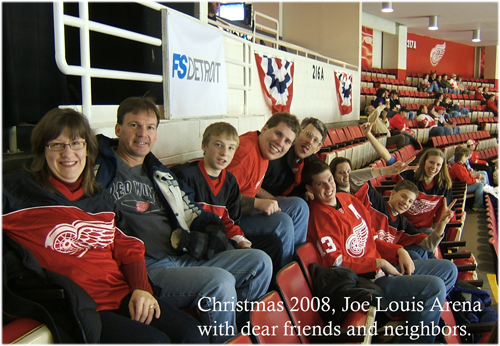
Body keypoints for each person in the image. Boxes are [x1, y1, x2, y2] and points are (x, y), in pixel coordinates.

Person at [0, 108, 208, 346]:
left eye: (76, 143)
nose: (68, 153)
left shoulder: (100, 197)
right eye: (56, 145)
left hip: (123, 295)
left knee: (192, 333)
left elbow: (129, 246)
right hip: (77, 307)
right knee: (153, 343)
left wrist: (141, 289)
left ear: (88, 150)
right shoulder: (16, 190)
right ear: (42, 151)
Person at [95, 97, 272, 346]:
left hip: (182, 252)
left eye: (150, 127)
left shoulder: (159, 173)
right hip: (149, 266)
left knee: (260, 261)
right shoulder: (101, 172)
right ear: (117, 129)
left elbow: (190, 209)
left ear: (156, 134)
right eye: (134, 125)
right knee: (220, 283)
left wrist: (211, 227)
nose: (142, 134)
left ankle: (237, 336)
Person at [303, 160, 457, 346]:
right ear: (309, 188)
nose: (329, 187)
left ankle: (416, 325)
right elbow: (336, 263)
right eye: (320, 184)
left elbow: (372, 238)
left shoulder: (349, 200)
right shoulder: (319, 217)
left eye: (329, 179)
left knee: (448, 269)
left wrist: (398, 250)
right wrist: (379, 263)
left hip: (385, 269)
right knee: (435, 287)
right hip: (369, 283)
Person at [174, 122, 283, 278]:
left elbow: (230, 221)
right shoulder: (187, 177)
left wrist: (240, 240)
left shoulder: (230, 182)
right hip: (197, 246)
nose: (225, 153)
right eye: (219, 145)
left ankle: (268, 296)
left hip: (219, 238)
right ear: (204, 146)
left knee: (273, 244)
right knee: (257, 260)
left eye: (231, 148)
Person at [226, 112, 309, 267]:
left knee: (299, 206)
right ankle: (284, 280)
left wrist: (268, 198)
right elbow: (219, 199)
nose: (280, 143)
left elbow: (250, 185)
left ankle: (298, 267)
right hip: (231, 218)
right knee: (282, 222)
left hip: (243, 207)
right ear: (264, 129)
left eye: (287, 141)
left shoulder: (264, 150)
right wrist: (257, 203)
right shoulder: (245, 156)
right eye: (278, 134)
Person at [260, 117, 327, 198]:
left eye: (316, 140)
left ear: (317, 148)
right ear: (297, 133)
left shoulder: (313, 163)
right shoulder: (277, 151)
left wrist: (306, 191)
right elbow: (251, 184)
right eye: (308, 135)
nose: (310, 141)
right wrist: (271, 199)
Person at [390, 148, 454, 234]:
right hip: (399, 226)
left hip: (422, 231)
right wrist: (369, 135)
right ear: (424, 162)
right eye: (431, 162)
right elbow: (389, 160)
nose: (434, 167)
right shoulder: (410, 177)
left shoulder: (444, 188)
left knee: (431, 240)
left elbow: (439, 219)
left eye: (438, 164)